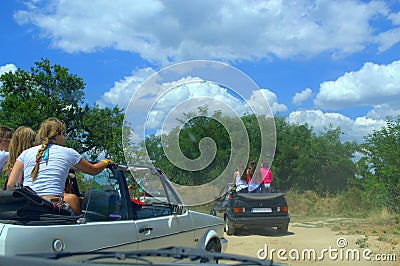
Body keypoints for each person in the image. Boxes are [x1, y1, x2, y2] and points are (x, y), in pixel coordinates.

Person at [6, 118, 114, 215]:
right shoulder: (69, 153)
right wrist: (105, 162)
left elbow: (11, 185)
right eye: (64, 134)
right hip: (54, 206)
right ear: (59, 134)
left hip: (29, 207)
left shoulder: (25, 153)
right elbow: (93, 170)